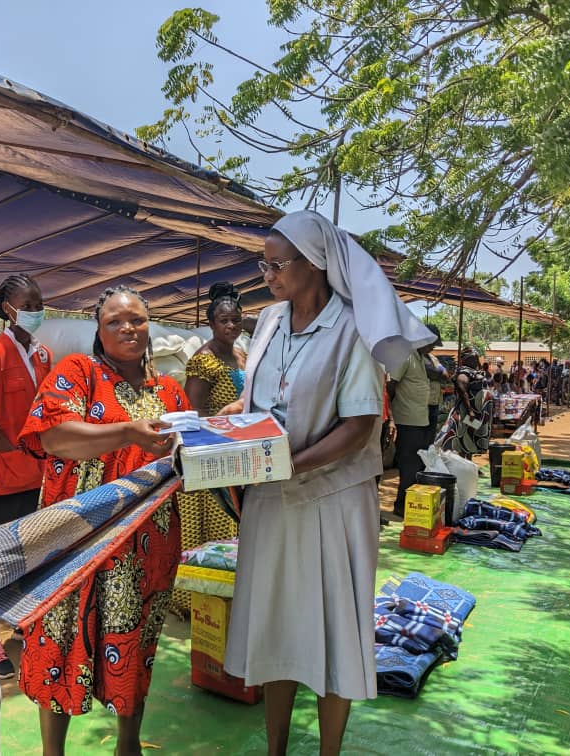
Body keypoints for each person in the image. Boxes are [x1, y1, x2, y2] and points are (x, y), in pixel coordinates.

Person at [220, 210, 434, 755]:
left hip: (332, 500)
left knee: (335, 626)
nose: (267, 275)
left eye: (277, 265)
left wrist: (295, 462)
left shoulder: (351, 327)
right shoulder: (267, 321)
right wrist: (224, 425)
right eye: (262, 265)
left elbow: (360, 425)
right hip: (271, 499)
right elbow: (257, 400)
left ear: (314, 264)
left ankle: (328, 750)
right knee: (276, 625)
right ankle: (275, 749)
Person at [16, 285, 188, 756]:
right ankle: (54, 752)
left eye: (136, 319)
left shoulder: (169, 391)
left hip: (146, 543)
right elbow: (52, 436)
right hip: (75, 540)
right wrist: (127, 432)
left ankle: (127, 745)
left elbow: (187, 457)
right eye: (115, 321)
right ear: (99, 329)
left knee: (135, 640)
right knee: (58, 638)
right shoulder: (79, 373)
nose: (127, 328)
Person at [0, 274, 52, 678]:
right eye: (30, 304)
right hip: (5, 475)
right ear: (9, 308)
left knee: (31, 556)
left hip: (37, 474)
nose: (37, 311)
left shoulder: (43, 355)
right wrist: (2, 446)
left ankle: (23, 626)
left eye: (40, 304)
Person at [172, 282, 244, 614]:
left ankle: (223, 594)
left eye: (235, 320)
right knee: (208, 527)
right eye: (224, 321)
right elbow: (193, 412)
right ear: (212, 324)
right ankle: (195, 601)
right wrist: (222, 417)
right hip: (209, 454)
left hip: (234, 452)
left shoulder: (240, 354)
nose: (230, 327)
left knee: (231, 526)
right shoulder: (205, 360)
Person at [389, 344, 432, 518]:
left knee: (418, 465)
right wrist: (391, 418)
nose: (432, 348)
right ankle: (401, 505)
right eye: (431, 344)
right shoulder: (405, 356)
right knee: (409, 465)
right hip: (406, 420)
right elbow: (391, 385)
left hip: (420, 419)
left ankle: (411, 504)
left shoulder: (420, 358)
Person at [436, 347, 494, 459]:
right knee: (464, 437)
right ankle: (463, 464)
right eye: (473, 358)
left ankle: (468, 463)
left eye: (476, 358)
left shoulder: (474, 370)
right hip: (467, 412)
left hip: (476, 411)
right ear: (466, 360)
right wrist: (470, 411)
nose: (476, 360)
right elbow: (462, 391)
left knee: (471, 438)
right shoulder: (464, 372)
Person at [421, 325, 448, 448]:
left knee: (430, 435)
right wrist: (436, 373)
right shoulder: (416, 357)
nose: (433, 348)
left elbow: (445, 374)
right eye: (431, 344)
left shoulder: (432, 358)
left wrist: (436, 373)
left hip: (434, 402)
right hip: (423, 404)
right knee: (422, 435)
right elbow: (432, 372)